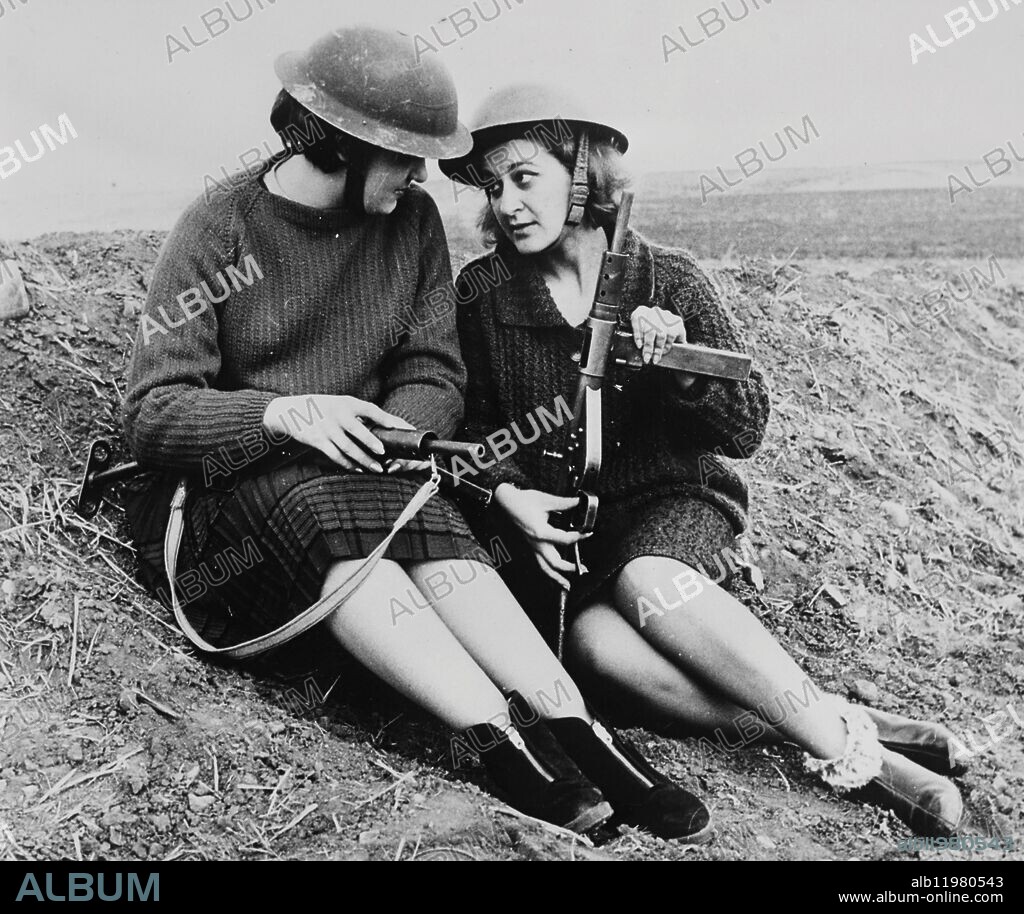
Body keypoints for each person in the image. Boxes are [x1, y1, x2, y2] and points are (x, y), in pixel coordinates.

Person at [120, 28, 713, 843]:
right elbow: (153, 411)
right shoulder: (221, 226)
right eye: (404, 157)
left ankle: (582, 736)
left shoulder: (410, 223)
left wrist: (391, 434)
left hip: (367, 472)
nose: (424, 178)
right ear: (340, 147)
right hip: (233, 495)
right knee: (324, 507)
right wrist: (287, 415)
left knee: (419, 519)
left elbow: (435, 375)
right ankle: (502, 747)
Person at [440, 84, 970, 838]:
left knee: (649, 580)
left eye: (525, 178)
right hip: (573, 542)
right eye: (493, 188)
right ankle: (837, 718)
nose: (507, 204)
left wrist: (684, 369)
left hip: (670, 507)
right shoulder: (482, 297)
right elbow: (477, 430)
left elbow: (747, 427)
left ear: (584, 174)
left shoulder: (670, 280)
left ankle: (868, 764)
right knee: (599, 655)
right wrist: (515, 500)